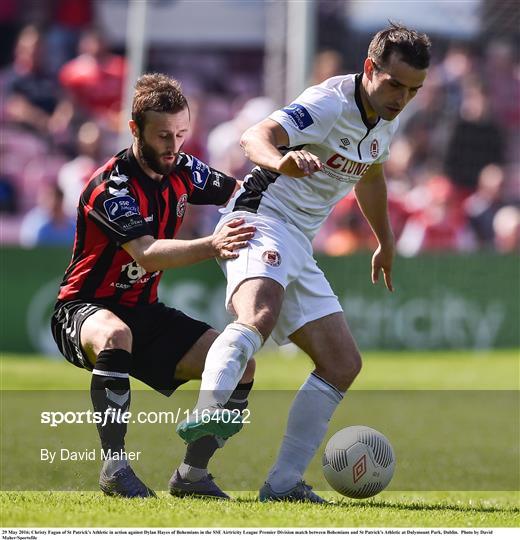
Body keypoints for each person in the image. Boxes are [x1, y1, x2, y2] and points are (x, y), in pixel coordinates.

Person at [177, 23, 431, 503]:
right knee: (258, 315)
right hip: (260, 215)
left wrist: (386, 239)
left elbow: (370, 177)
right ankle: (208, 408)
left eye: (413, 90)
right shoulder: (329, 102)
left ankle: (282, 483)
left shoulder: (387, 117)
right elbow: (255, 138)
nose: (402, 98)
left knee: (342, 364)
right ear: (369, 68)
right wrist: (283, 162)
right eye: (395, 84)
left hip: (299, 239)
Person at [50, 73, 257, 499]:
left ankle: (192, 475)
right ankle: (114, 469)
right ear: (134, 129)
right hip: (83, 308)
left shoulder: (183, 168)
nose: (174, 145)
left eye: (182, 133)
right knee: (115, 334)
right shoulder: (110, 187)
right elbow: (145, 253)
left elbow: (238, 192)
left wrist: (291, 175)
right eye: (163, 135)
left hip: (145, 311)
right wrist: (214, 244)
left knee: (240, 365)